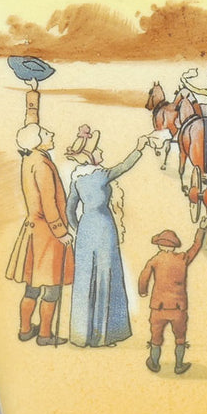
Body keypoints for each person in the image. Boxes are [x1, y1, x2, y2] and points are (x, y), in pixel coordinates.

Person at [65, 127, 149, 348]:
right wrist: (139, 148)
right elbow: (124, 166)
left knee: (85, 279)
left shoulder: (77, 179)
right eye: (98, 150)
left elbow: (69, 210)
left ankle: (82, 336)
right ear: (90, 155)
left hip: (85, 230)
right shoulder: (101, 175)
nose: (101, 152)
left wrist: (79, 228)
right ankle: (104, 336)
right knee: (106, 276)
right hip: (103, 228)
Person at [6, 120, 73, 346]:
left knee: (32, 286)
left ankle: (25, 330)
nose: (51, 133)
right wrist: (61, 232)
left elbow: (31, 121)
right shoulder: (42, 164)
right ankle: (45, 335)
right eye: (45, 133)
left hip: (34, 231)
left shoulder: (29, 158)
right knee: (51, 288)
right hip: (48, 235)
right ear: (37, 141)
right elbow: (48, 203)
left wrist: (33, 100)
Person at [138, 215, 207, 375]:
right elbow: (196, 246)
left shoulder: (155, 260)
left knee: (156, 337)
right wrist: (202, 229)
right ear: (174, 246)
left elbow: (144, 277)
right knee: (180, 337)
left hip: (159, 308)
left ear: (160, 245)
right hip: (178, 308)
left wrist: (143, 291)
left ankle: (154, 363)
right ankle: (179, 365)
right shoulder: (182, 258)